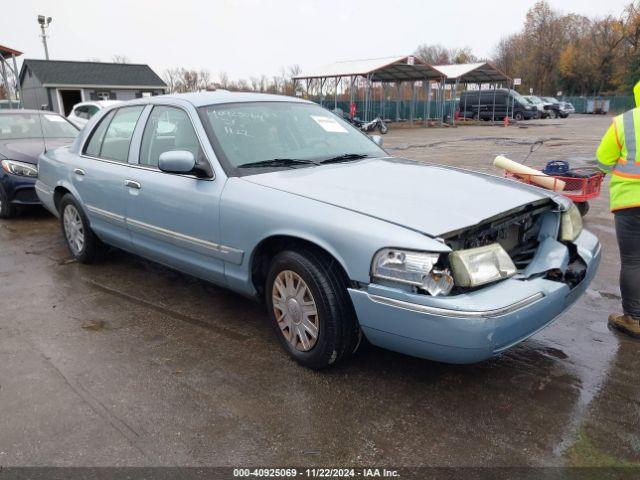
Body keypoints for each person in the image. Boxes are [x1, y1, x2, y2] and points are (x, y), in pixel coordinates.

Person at [596, 81, 640, 338]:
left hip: (629, 203)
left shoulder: (624, 122)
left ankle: (633, 318)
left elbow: (602, 161)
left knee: (633, 261)